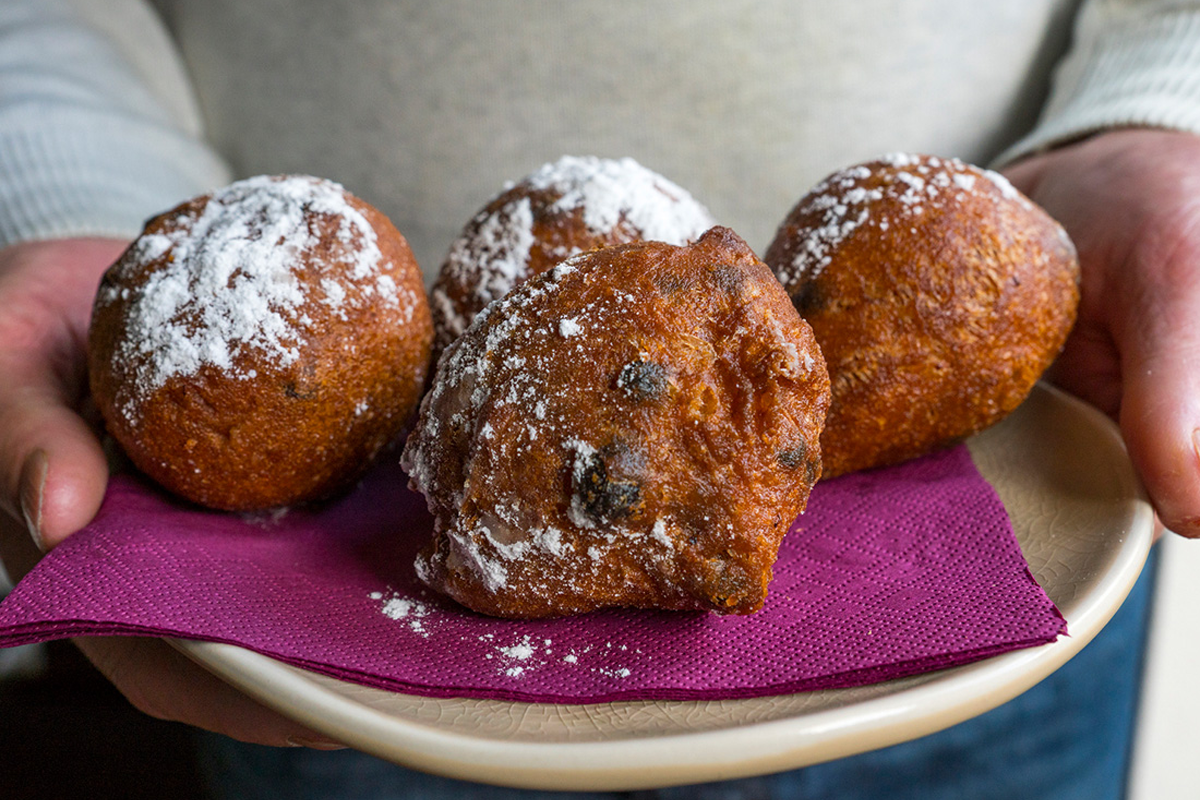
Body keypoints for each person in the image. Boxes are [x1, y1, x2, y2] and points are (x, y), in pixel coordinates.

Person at [0, 0, 1197, 796]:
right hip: (331, 686)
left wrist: (1156, 111)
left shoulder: (746, 371)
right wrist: (66, 187)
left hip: (996, 616)